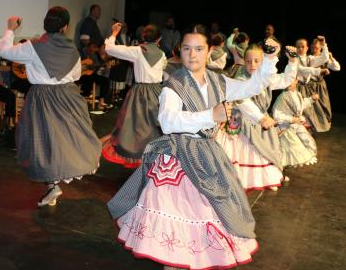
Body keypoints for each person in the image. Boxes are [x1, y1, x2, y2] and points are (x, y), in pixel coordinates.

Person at [108, 29, 280, 270]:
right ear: (180, 51)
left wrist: (270, 59)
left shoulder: (217, 81)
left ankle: (190, 257)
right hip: (178, 155)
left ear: (209, 51)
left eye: (198, 49)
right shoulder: (174, 84)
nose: (192, 54)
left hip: (207, 154)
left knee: (205, 210)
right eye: (187, 49)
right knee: (176, 216)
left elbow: (250, 87)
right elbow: (168, 122)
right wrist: (212, 115)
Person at [0, 7, 102, 207]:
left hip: (42, 98)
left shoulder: (34, 46)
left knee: (43, 143)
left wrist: (10, 29)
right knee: (68, 138)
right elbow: (76, 75)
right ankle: (59, 180)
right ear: (65, 27)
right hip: (67, 96)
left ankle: (52, 184)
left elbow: (4, 51)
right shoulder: (72, 49)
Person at [217, 43, 298, 191]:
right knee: (251, 149)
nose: (252, 65)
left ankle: (271, 174)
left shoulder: (265, 78)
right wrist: (261, 118)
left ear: (263, 61)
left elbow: (285, 80)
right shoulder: (242, 78)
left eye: (256, 61)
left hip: (261, 119)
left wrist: (292, 62)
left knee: (268, 147)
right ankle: (252, 179)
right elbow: (243, 101)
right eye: (248, 61)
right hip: (245, 121)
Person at [101, 23, 166, 168]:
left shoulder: (138, 50)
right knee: (155, 127)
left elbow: (110, 48)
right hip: (157, 92)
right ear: (159, 38)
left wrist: (114, 33)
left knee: (136, 127)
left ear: (144, 36)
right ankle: (155, 159)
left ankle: (140, 157)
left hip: (140, 93)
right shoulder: (162, 54)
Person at [272, 78, 319, 167]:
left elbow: (300, 105)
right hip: (286, 126)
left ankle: (307, 154)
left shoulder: (297, 94)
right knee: (293, 147)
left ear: (296, 81)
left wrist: (311, 99)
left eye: (292, 80)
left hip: (296, 124)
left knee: (308, 141)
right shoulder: (283, 96)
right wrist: (291, 119)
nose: (289, 82)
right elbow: (276, 114)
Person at [295, 36, 338, 132]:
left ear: (306, 48)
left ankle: (305, 130)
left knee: (307, 111)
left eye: (302, 46)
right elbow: (302, 69)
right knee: (298, 109)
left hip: (305, 88)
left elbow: (324, 58)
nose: (300, 49)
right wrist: (319, 70)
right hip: (296, 88)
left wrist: (324, 44)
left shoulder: (309, 59)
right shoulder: (294, 58)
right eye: (298, 47)